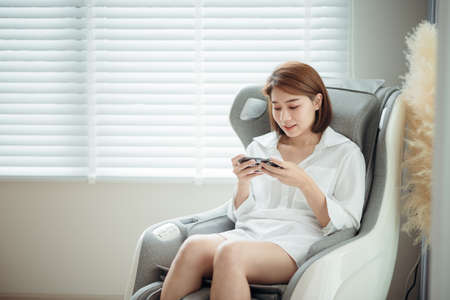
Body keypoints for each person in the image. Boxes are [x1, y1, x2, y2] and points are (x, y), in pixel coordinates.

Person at [160, 61, 366, 300]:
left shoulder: (344, 153)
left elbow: (347, 224)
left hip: (298, 242)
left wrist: (305, 183)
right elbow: (240, 217)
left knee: (231, 253)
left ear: (317, 102)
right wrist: (243, 182)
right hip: (251, 233)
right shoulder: (261, 146)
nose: (284, 117)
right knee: (193, 246)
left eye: (293, 106)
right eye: (277, 107)